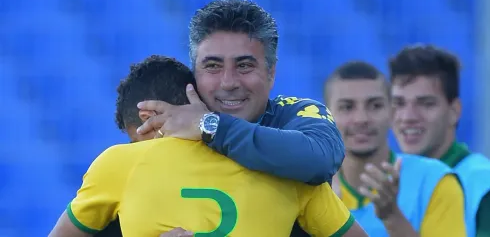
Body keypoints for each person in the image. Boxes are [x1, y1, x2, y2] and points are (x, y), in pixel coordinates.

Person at [48, 55, 367, 237]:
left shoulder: (120, 166)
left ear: (152, 117)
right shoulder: (286, 161)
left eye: (140, 139)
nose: (144, 149)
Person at [136, 0, 345, 186]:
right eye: (213, 66)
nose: (228, 83)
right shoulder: (174, 130)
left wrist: (211, 127)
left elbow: (319, 159)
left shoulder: (297, 113)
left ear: (271, 72)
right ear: (194, 72)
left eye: (244, 65)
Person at [319, 61, 466, 237]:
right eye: (347, 107)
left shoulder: (435, 181)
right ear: (326, 116)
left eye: (375, 105)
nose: (361, 118)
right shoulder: (313, 189)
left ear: (393, 111)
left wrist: (392, 217)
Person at [389, 45, 490, 237]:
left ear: (454, 111)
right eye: (399, 103)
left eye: (426, 104)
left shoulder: (482, 184)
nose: (408, 116)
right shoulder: (383, 181)